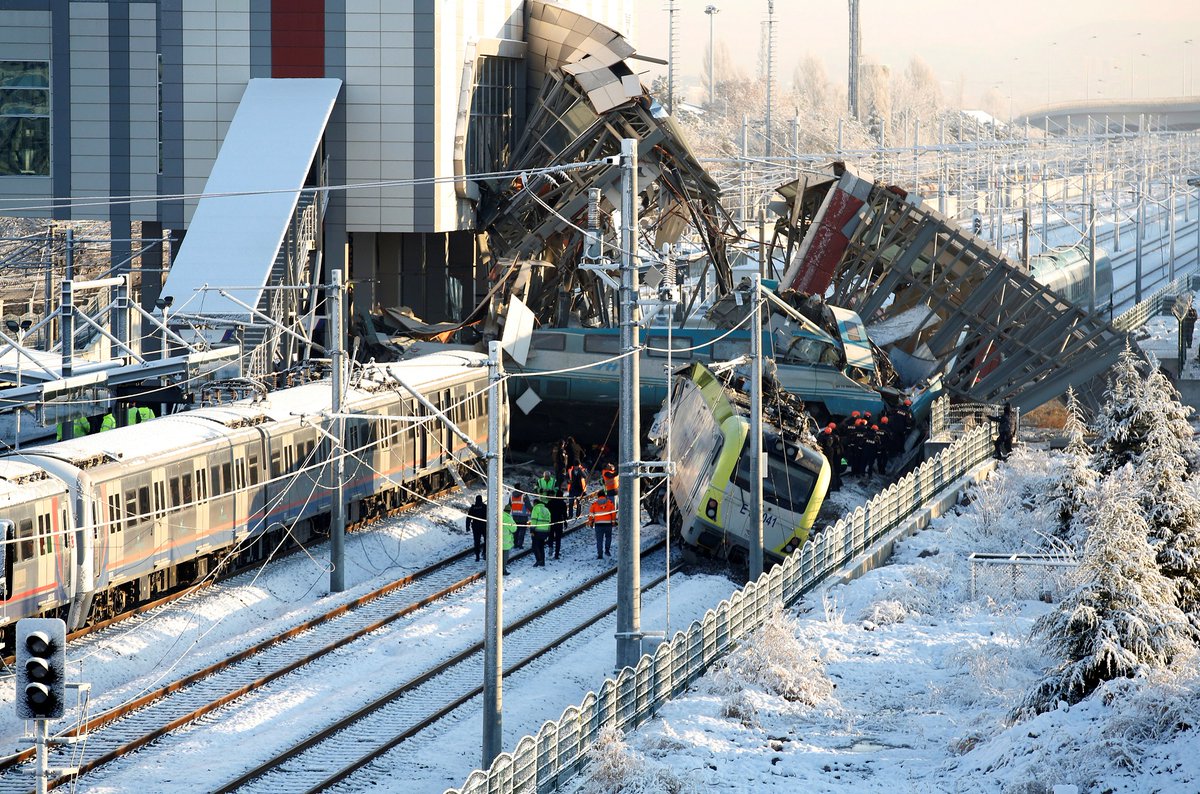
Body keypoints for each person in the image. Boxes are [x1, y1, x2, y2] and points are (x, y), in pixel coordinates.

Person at [588, 492, 617, 559]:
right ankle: (607, 550)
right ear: (605, 496)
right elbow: (613, 514)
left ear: (598, 496)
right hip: (608, 524)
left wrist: (591, 523)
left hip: (598, 524)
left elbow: (591, 515)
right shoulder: (610, 503)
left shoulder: (594, 504)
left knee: (599, 540)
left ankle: (600, 554)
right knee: (608, 537)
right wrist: (613, 522)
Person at [817, 425, 842, 491]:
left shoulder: (821, 436)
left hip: (824, 454)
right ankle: (833, 487)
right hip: (832, 457)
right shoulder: (834, 438)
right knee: (832, 471)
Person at [529, 496, 552, 567]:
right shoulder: (546, 509)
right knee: (541, 546)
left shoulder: (536, 509)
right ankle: (542, 561)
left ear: (535, 503)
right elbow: (549, 521)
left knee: (535, 546)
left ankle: (539, 560)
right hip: (545, 531)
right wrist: (548, 531)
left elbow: (534, 520)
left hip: (537, 531)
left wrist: (532, 530)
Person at [547, 486, 567, 560]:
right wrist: (565, 522)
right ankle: (557, 554)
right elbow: (564, 514)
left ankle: (550, 547)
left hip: (551, 522)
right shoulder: (563, 504)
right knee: (558, 539)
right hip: (559, 522)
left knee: (551, 536)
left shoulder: (551, 502)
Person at [467, 494, 487, 562]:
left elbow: (468, 518)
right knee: (486, 540)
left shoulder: (473, 507)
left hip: (475, 527)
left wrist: (467, 527)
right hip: (484, 526)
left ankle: (477, 556)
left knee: (477, 542)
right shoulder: (485, 507)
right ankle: (484, 552)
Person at [501, 505, 515, 575]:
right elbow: (514, 529)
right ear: (510, 511)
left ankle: (497, 570)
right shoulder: (509, 518)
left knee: (498, 557)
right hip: (505, 542)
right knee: (504, 558)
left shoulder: (499, 516)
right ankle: (503, 571)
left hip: (498, 541)